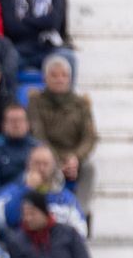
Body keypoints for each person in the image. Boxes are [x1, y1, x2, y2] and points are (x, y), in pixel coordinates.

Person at [26, 54, 97, 214]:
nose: (60, 79)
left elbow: (89, 137)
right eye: (54, 75)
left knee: (89, 169)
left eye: (64, 75)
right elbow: (38, 133)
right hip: (47, 153)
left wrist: (75, 158)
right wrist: (54, 160)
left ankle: (80, 212)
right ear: (45, 78)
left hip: (73, 155)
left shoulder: (81, 104)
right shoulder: (35, 102)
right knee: (42, 166)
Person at [0, 0, 66, 69]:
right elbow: (12, 26)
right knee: (6, 62)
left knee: (69, 58)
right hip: (19, 47)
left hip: (48, 46)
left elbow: (54, 22)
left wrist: (24, 19)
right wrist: (42, 22)